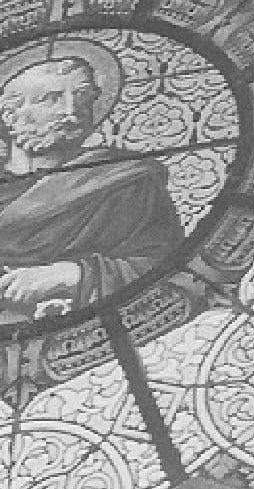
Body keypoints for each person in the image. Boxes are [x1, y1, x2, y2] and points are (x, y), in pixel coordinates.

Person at [0, 49, 183, 323]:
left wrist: (73, 275)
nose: (72, 111)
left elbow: (172, 267)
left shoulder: (124, 179)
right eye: (51, 98)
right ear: (9, 114)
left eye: (83, 97)